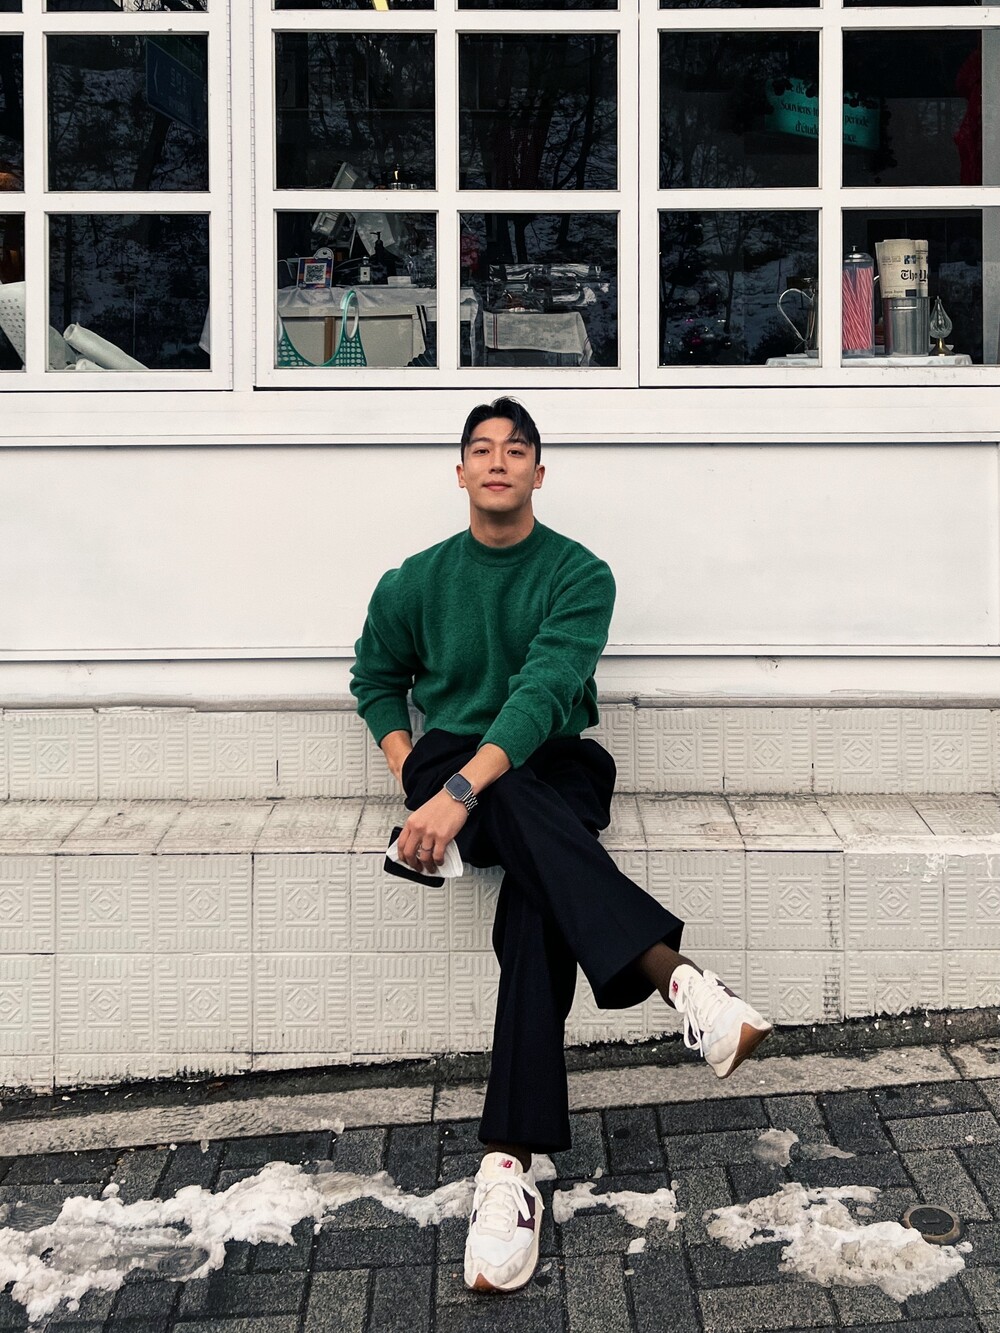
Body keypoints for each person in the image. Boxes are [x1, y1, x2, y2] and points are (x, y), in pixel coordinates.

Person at [350, 398, 772, 1294]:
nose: (497, 461)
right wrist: (413, 775)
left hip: (548, 762)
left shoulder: (580, 574)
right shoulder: (414, 581)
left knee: (535, 891)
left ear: (540, 473)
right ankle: (679, 981)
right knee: (526, 837)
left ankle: (507, 1166)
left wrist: (460, 796)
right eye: (481, 449)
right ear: (459, 472)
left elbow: (544, 692)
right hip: (452, 761)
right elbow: (375, 678)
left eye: (516, 450)